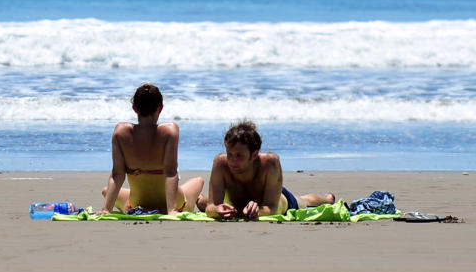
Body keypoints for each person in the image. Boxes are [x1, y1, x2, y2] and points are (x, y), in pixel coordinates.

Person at [98, 83, 204, 215]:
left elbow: (117, 175)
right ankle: (197, 199)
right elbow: (170, 172)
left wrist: (106, 209)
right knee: (198, 181)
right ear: (160, 108)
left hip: (136, 206)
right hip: (173, 205)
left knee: (106, 191)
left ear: (134, 108)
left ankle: (114, 203)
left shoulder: (120, 133)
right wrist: (171, 210)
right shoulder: (169, 131)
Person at [202, 119, 335, 220]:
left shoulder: (270, 162)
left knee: (303, 202)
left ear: (254, 154)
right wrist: (216, 209)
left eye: (239, 156)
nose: (232, 161)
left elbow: (273, 208)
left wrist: (258, 211)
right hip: (235, 201)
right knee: (203, 202)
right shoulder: (220, 163)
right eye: (229, 154)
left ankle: (327, 199)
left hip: (274, 199)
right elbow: (210, 207)